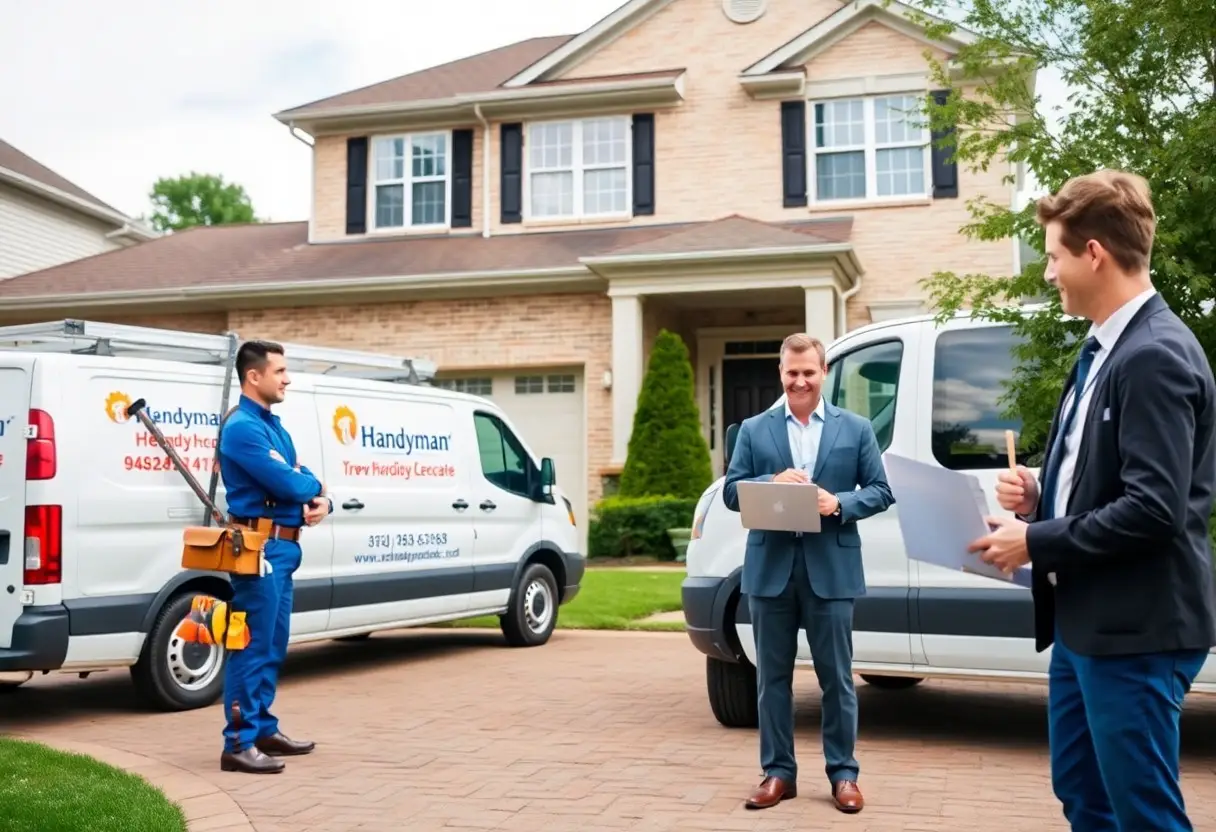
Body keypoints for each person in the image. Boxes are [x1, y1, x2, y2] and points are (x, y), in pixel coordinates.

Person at [970, 169, 1216, 831]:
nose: (1049, 272)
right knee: (1083, 791)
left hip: (1134, 630)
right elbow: (1111, 476)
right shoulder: (1102, 350)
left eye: (1053, 256)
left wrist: (1035, 540)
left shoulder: (1153, 356)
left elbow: (1155, 510)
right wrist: (1042, 495)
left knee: (1142, 814)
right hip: (1086, 623)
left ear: (1093, 254)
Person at [722, 333, 894, 814]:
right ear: (781, 374)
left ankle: (843, 775)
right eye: (791, 373)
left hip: (831, 568)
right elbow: (732, 491)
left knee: (837, 679)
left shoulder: (856, 428)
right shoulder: (756, 430)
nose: (799, 381)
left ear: (824, 374)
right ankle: (778, 773)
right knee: (770, 679)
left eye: (808, 372)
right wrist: (768, 482)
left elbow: (881, 490)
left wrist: (839, 502)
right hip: (771, 569)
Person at [217, 340, 332, 775]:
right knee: (250, 645)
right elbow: (288, 483)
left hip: (283, 549)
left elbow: (304, 475)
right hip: (258, 550)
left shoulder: (273, 426)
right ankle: (238, 744)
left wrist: (324, 498)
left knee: (273, 644)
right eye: (280, 371)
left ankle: (263, 729)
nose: (287, 379)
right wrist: (312, 491)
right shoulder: (243, 428)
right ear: (254, 376)